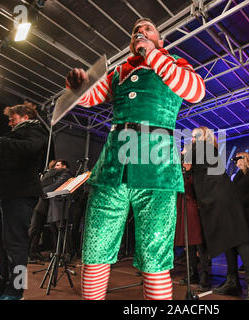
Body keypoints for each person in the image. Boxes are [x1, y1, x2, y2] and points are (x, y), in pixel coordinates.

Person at [65, 17, 205, 300]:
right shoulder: (117, 72)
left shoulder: (175, 63)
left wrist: (152, 55)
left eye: (148, 29)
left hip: (158, 170)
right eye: (135, 31)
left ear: (160, 40)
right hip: (111, 168)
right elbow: (89, 97)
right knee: (94, 249)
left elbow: (196, 91)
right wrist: (77, 87)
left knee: (155, 257)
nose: (140, 32)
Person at [184, 126, 249, 300]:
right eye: (192, 137)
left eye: (195, 136)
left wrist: (185, 152)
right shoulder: (202, 153)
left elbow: (187, 156)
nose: (192, 139)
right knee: (228, 239)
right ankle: (232, 281)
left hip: (222, 197)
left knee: (238, 237)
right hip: (214, 199)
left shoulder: (205, 148)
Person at [0, 103, 48, 300]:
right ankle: (1, 287)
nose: (9, 122)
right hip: (6, 192)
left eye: (12, 118)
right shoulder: (16, 135)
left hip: (21, 193)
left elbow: (31, 149)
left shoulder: (36, 130)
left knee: (17, 244)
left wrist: (2, 142)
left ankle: (17, 291)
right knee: (2, 242)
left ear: (25, 116)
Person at [174, 161, 211, 291]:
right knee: (188, 242)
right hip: (185, 209)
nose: (185, 163)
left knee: (200, 243)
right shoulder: (182, 172)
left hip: (196, 209)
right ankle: (192, 273)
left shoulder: (197, 172)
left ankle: (205, 275)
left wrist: (189, 172)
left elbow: (197, 189)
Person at [28, 159, 57, 261]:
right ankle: (27, 253)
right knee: (33, 231)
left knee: (37, 231)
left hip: (41, 208)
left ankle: (33, 253)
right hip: (40, 208)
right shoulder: (49, 175)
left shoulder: (47, 176)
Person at [45, 159, 73, 257]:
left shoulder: (66, 175)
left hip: (60, 207)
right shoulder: (58, 176)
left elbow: (55, 186)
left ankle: (67, 253)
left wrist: (40, 191)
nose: (55, 167)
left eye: (57, 165)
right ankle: (59, 253)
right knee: (54, 230)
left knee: (62, 231)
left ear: (64, 167)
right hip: (54, 207)